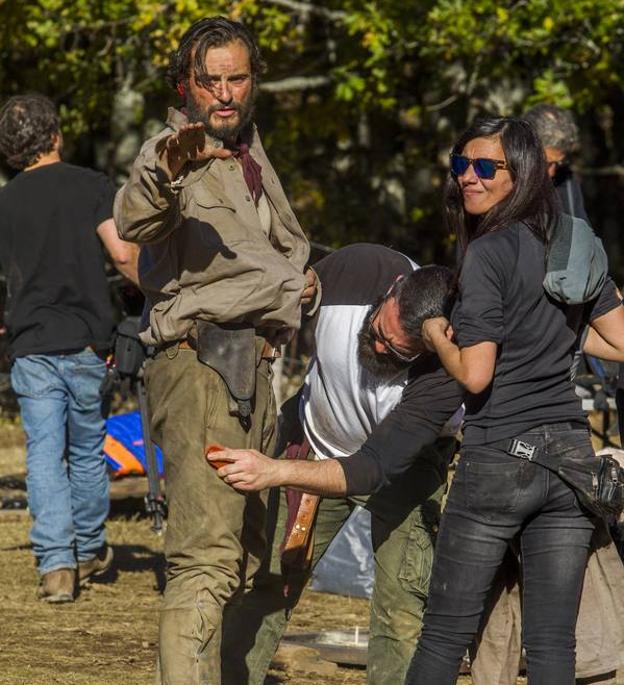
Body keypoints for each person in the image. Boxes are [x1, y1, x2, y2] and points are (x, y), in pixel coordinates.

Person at [113, 17, 311, 685]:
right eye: (209, 81)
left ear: (252, 82)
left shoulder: (253, 154)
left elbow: (272, 262)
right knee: (205, 561)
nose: (223, 93)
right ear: (186, 85)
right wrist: (175, 163)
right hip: (201, 369)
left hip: (253, 370)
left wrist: (303, 284)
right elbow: (137, 213)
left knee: (256, 560)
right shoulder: (175, 149)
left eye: (236, 78)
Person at [404, 116, 624, 684]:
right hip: (571, 460)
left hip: (499, 458)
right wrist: (567, 330)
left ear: (522, 171)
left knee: (444, 636)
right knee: (553, 647)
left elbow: (475, 376)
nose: (467, 179)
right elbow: (621, 339)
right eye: (460, 165)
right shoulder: (576, 242)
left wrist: (433, 332)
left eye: (485, 167)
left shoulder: (488, 253)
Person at [208, 243, 464, 685]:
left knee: (400, 609)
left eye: (396, 351)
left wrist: (275, 470)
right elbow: (288, 294)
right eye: (379, 330)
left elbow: (370, 469)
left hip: (404, 470)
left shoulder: (442, 377)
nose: (378, 347)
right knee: (270, 581)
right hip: (316, 438)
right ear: (392, 290)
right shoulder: (357, 268)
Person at [0, 93, 139, 603]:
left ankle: (55, 565)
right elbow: (122, 254)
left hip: (32, 342)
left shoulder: (6, 201)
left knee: (42, 453)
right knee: (85, 451)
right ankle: (87, 549)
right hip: (86, 343)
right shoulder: (92, 186)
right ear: (56, 134)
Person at [524, 103, 589, 221]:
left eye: (558, 163)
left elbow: (580, 232)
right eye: (545, 163)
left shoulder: (564, 178)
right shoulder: (499, 179)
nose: (552, 173)